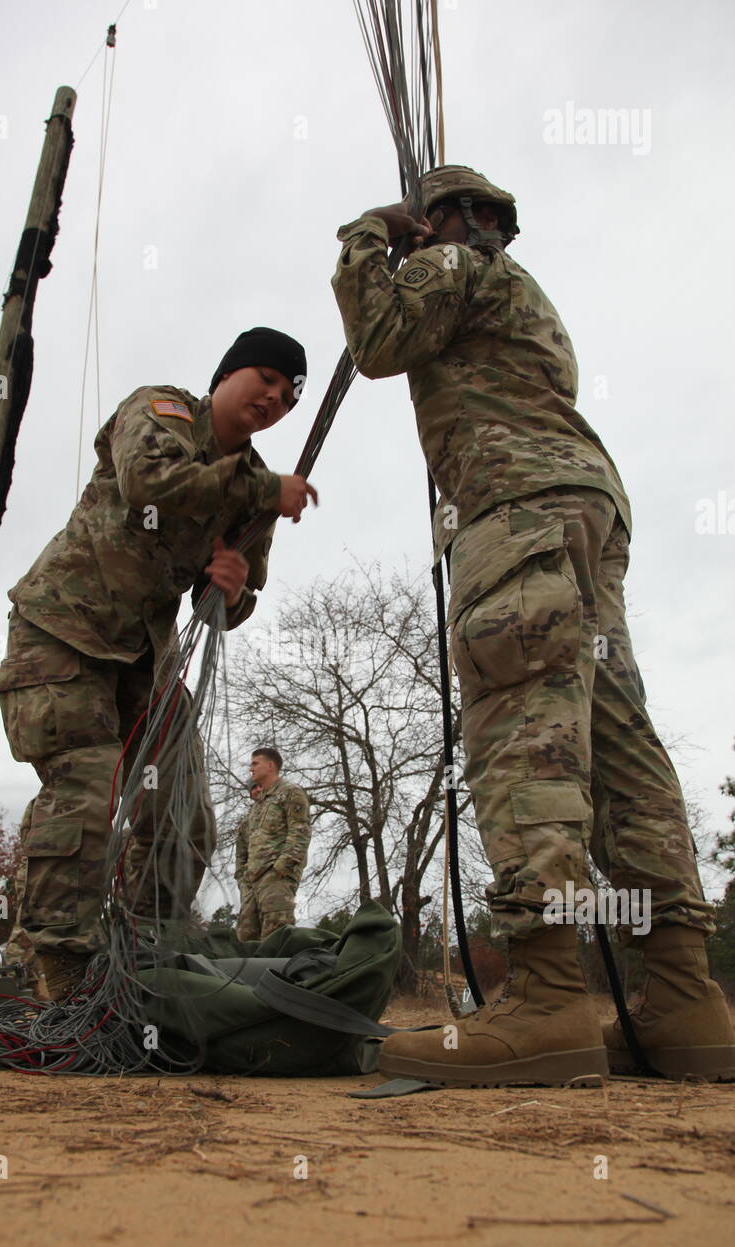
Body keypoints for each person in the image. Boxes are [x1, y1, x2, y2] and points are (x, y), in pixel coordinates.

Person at [331, 167, 735, 1085]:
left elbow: (381, 338)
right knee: (613, 735)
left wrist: (367, 234)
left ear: (450, 222)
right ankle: (684, 1000)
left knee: (523, 726)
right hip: (585, 505)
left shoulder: (458, 266)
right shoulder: (524, 294)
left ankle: (551, 1001)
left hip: (519, 507)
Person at [0, 328, 317, 1003]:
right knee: (84, 796)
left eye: (287, 398)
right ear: (226, 376)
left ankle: (137, 959)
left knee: (185, 819)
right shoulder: (162, 411)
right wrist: (262, 488)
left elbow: (238, 595)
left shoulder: (259, 495)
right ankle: (65, 976)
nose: (273, 399)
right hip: (63, 633)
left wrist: (226, 586)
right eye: (264, 378)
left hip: (146, 659)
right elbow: (152, 482)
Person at [236, 748, 311, 942]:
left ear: (270, 766)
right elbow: (248, 845)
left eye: (255, 763)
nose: (251, 769)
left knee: (276, 939)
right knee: (246, 939)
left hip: (276, 878)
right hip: (253, 880)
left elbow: (300, 832)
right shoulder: (258, 805)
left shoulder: (290, 792)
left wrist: (281, 869)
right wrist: (243, 878)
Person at [234, 784, 261, 932]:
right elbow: (240, 855)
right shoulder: (245, 824)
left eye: (260, 787)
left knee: (275, 925)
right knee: (247, 927)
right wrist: (241, 879)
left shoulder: (279, 814)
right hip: (249, 882)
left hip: (274, 879)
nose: (257, 790)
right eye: (253, 788)